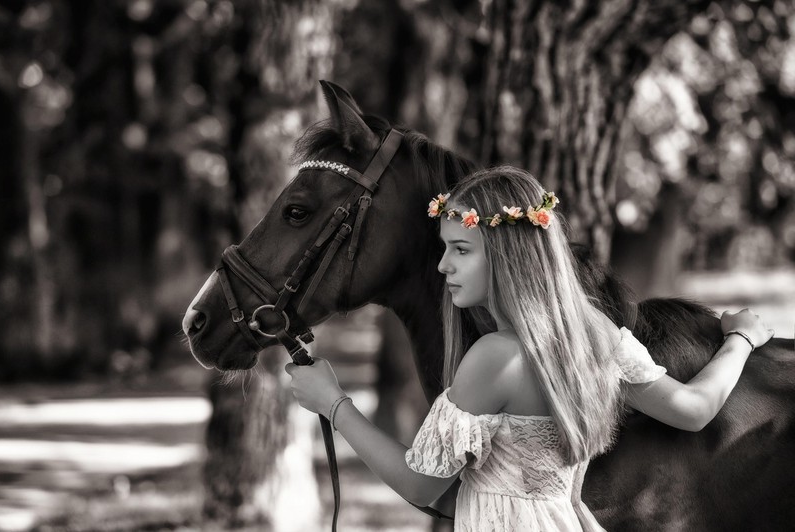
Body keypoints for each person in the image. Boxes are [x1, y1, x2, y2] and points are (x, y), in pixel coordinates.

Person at [285, 166, 774, 531]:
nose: (443, 267)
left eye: (461, 250)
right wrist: (741, 339)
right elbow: (693, 409)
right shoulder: (594, 334)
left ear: (506, 254)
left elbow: (420, 486)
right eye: (444, 248)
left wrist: (334, 404)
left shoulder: (497, 357)